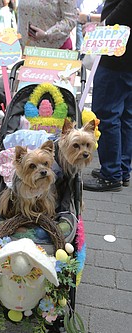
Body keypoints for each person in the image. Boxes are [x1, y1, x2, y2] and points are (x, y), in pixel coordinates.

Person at [83, 0, 132, 192]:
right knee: (125, 115)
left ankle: (111, 173)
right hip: (125, 52)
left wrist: (105, 26)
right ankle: (121, 169)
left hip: (116, 50)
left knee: (107, 114)